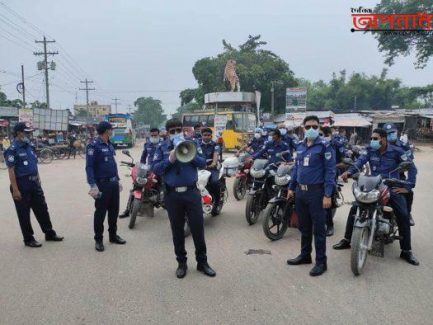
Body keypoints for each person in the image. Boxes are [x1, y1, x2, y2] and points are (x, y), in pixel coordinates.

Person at [333, 128, 419, 266]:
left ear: (383, 139)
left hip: (391, 186)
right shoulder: (370, 150)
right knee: (355, 208)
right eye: (372, 138)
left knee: (403, 214)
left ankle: (406, 250)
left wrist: (408, 186)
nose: (372, 141)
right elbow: (359, 161)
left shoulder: (397, 151)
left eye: (375, 138)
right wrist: (349, 172)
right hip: (373, 184)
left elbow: (412, 168)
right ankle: (347, 240)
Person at [152, 118, 216, 279]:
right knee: (177, 230)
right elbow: (156, 169)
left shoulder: (193, 143)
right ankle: (181, 263)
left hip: (192, 193)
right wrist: (170, 159)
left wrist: (188, 152)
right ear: (167, 132)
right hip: (172, 195)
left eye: (178, 129)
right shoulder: (162, 147)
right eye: (172, 130)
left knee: (197, 228)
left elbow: (202, 163)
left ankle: (202, 262)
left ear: (183, 130)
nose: (175, 133)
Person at [286, 115, 336, 276]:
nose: (311, 129)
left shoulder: (325, 146)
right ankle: (305, 255)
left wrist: (328, 194)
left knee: (319, 229)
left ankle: (321, 262)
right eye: (308, 127)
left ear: (319, 128)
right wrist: (291, 187)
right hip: (301, 192)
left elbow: (330, 171)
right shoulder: (300, 146)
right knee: (304, 227)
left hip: (317, 192)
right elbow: (296, 168)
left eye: (315, 126)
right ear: (303, 128)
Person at [3, 122, 64, 247]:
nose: (29, 134)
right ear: (19, 132)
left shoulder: (29, 146)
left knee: (42, 209)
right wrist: (15, 189)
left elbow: (34, 164)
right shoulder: (12, 149)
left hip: (34, 182)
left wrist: (38, 178)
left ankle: (49, 233)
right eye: (26, 132)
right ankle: (28, 238)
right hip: (21, 184)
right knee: (24, 213)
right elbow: (11, 170)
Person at [86, 121, 126, 252]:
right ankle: (98, 239)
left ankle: (113, 236)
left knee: (114, 211)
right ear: (105, 131)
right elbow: (89, 167)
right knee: (100, 213)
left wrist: (117, 179)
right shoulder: (94, 146)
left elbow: (112, 164)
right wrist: (92, 185)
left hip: (113, 183)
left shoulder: (109, 144)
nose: (112, 131)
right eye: (110, 129)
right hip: (102, 185)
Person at [119, 127, 161, 219]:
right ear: (150, 135)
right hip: (149, 169)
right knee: (136, 186)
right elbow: (143, 157)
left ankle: (166, 204)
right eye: (152, 135)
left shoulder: (163, 144)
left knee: (163, 187)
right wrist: (140, 167)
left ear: (159, 134)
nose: (154, 136)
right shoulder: (147, 144)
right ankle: (127, 210)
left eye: (156, 135)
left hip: (160, 169)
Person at [383, 123, 415, 226]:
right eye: (388, 133)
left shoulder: (403, 146)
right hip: (381, 175)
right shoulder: (380, 145)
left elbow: (410, 164)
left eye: (392, 132)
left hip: (397, 176)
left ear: (397, 132)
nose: (391, 134)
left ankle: (407, 214)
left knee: (408, 192)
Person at [199, 127, 221, 216]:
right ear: (201, 135)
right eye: (205, 135)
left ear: (211, 136)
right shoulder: (197, 145)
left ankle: (217, 201)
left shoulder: (215, 145)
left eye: (208, 135)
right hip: (199, 168)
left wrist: (214, 163)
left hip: (211, 168)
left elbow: (216, 155)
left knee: (214, 182)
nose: (206, 137)